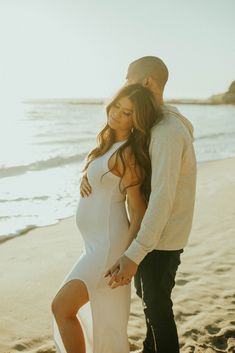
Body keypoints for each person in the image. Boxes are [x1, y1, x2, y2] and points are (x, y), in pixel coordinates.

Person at [81, 56, 197, 353]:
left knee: (158, 308)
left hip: (161, 239)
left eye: (129, 79)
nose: (125, 85)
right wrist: (89, 172)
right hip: (150, 236)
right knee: (149, 303)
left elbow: (162, 197)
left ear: (147, 82)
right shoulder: (156, 122)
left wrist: (134, 254)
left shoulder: (167, 131)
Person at [51, 83, 163, 353]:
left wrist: (129, 255)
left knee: (62, 307)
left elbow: (138, 209)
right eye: (117, 107)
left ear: (135, 119)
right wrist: (85, 177)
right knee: (93, 310)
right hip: (93, 244)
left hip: (107, 247)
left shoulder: (128, 154)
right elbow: (103, 179)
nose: (117, 114)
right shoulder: (107, 144)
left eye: (127, 113)